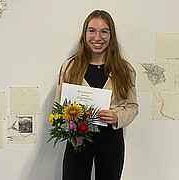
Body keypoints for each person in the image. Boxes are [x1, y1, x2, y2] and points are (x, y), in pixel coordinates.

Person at [55, 10, 138, 180]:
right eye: (92, 30)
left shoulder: (125, 69)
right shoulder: (70, 67)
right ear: (84, 33)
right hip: (77, 139)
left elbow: (132, 107)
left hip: (111, 139)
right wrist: (70, 132)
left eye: (104, 31)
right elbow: (58, 109)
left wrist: (117, 117)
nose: (97, 37)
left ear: (111, 35)